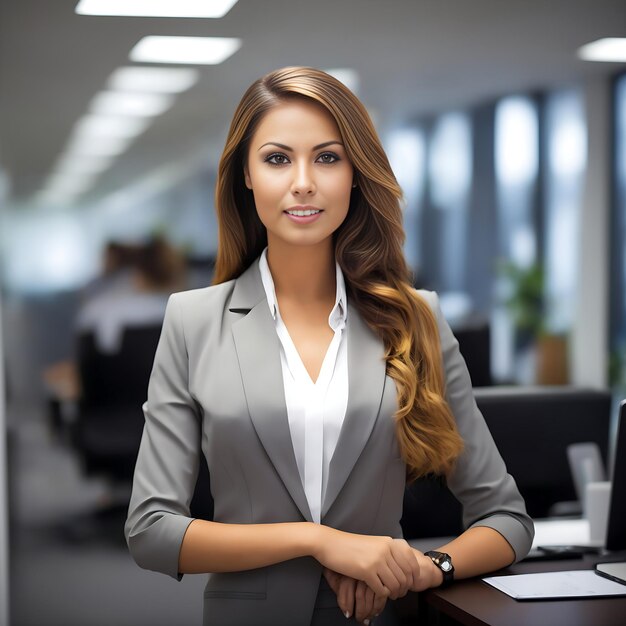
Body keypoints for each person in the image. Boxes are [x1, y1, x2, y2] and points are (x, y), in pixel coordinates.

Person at [124, 67, 534, 626]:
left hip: (384, 617)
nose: (302, 182)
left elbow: (506, 519)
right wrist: (319, 541)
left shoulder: (418, 320)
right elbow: (151, 530)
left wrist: (423, 566)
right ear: (245, 175)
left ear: (356, 175)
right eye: (276, 159)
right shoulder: (193, 321)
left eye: (327, 157)